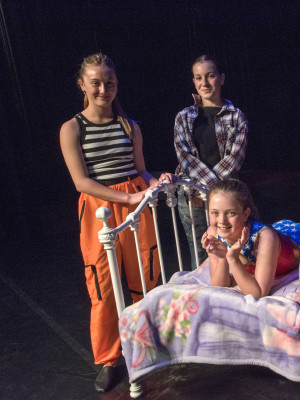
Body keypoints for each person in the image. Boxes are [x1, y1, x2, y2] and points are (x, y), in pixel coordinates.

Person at [59, 53, 170, 392]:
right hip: (100, 210)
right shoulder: (72, 128)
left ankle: (144, 345)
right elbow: (81, 182)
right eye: (95, 83)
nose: (103, 89)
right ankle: (109, 359)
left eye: (109, 83)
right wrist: (126, 199)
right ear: (82, 84)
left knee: (145, 277)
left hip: (136, 206)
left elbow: (140, 170)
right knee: (102, 285)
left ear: (116, 84)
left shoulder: (129, 126)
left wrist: (156, 182)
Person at [174, 55, 248, 269]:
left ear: (221, 78)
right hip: (191, 196)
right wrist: (198, 190)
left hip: (226, 196)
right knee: (200, 250)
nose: (204, 83)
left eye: (210, 76)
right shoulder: (184, 117)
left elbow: (234, 159)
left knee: (233, 247)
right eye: (198, 78)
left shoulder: (236, 117)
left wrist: (208, 191)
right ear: (194, 81)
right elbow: (185, 157)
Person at [200, 179, 300, 298]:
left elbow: (259, 293)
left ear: (245, 214)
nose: (222, 220)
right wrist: (222, 259)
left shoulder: (264, 238)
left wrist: (233, 259)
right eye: (215, 213)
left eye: (231, 213)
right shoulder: (213, 233)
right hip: (277, 232)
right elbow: (219, 286)